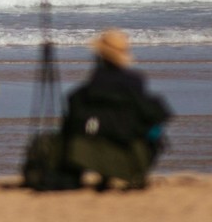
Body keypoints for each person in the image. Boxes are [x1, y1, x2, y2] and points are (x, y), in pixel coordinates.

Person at [60, 29, 172, 190]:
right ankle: (135, 173)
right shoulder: (135, 81)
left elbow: (73, 121)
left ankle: (103, 176)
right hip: (135, 155)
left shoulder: (90, 88)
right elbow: (155, 116)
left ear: (99, 55)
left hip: (96, 154)